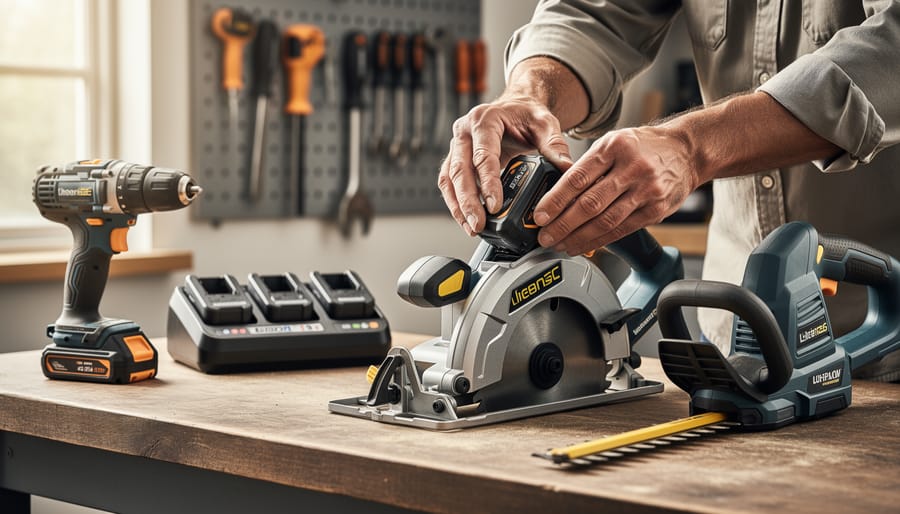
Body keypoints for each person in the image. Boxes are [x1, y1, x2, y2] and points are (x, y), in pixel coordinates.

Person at [438, 0, 900, 381]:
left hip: (882, 335)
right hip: (736, 344)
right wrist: (531, 93)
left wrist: (693, 146)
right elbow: (596, 14)